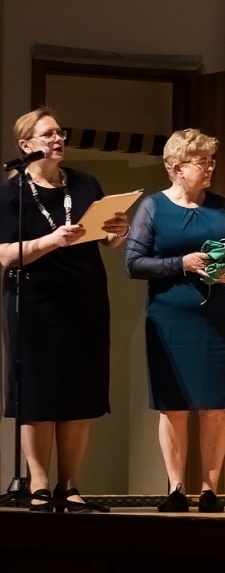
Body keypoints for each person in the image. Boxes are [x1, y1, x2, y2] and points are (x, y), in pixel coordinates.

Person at [0, 106, 130, 512]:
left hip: (84, 297)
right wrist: (51, 241)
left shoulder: (85, 182)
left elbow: (107, 239)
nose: (58, 139)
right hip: (35, 301)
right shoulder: (13, 193)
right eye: (48, 134)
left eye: (60, 133)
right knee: (37, 392)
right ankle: (39, 485)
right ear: (26, 145)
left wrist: (119, 231)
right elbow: (5, 254)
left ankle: (69, 485)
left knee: (80, 391)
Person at [125, 129, 225, 513]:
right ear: (178, 168)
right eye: (202, 162)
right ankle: (176, 488)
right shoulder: (153, 207)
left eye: (212, 161)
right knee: (174, 406)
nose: (210, 168)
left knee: (215, 406)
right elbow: (134, 263)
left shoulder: (221, 206)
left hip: (217, 318)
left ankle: (210, 489)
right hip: (170, 320)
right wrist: (182, 263)